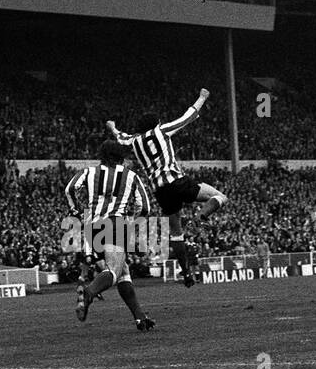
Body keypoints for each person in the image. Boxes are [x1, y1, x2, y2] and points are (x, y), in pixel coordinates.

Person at [106, 88, 227, 287]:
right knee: (219, 196)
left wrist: (112, 127)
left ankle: (186, 273)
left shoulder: (134, 141)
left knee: (176, 232)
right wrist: (202, 97)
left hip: (160, 191)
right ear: (155, 124)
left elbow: (121, 138)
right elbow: (188, 116)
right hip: (176, 181)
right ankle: (200, 217)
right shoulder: (162, 131)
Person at [67, 140, 156, 331]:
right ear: (120, 157)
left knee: (123, 273)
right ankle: (89, 293)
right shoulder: (130, 176)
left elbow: (70, 189)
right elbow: (145, 207)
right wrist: (133, 223)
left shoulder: (89, 172)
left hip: (93, 227)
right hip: (116, 224)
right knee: (114, 270)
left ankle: (140, 318)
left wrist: (75, 210)